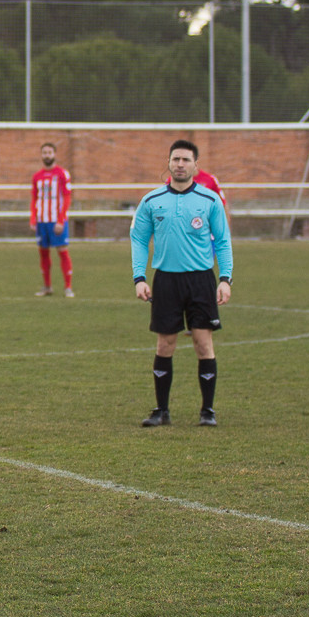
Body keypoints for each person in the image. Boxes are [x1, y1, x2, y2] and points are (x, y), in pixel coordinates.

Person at [131, 139, 233, 429]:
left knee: (203, 343)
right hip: (165, 280)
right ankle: (161, 411)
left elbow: (224, 243)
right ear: (168, 163)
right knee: (165, 343)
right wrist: (139, 277)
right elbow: (138, 239)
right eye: (175, 159)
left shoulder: (209, 200)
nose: (180, 164)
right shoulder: (151, 201)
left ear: (195, 166)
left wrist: (225, 279)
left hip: (200, 280)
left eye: (186, 160)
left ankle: (207, 411)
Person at [30, 142, 74, 297]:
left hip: (56, 221)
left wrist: (61, 220)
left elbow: (67, 198)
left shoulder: (62, 174)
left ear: (54, 154)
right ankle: (47, 287)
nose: (47, 155)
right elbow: (34, 198)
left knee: (62, 251)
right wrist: (33, 219)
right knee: (43, 253)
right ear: (41, 155)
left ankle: (68, 287)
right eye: (44, 153)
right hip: (42, 220)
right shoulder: (37, 176)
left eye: (49, 152)